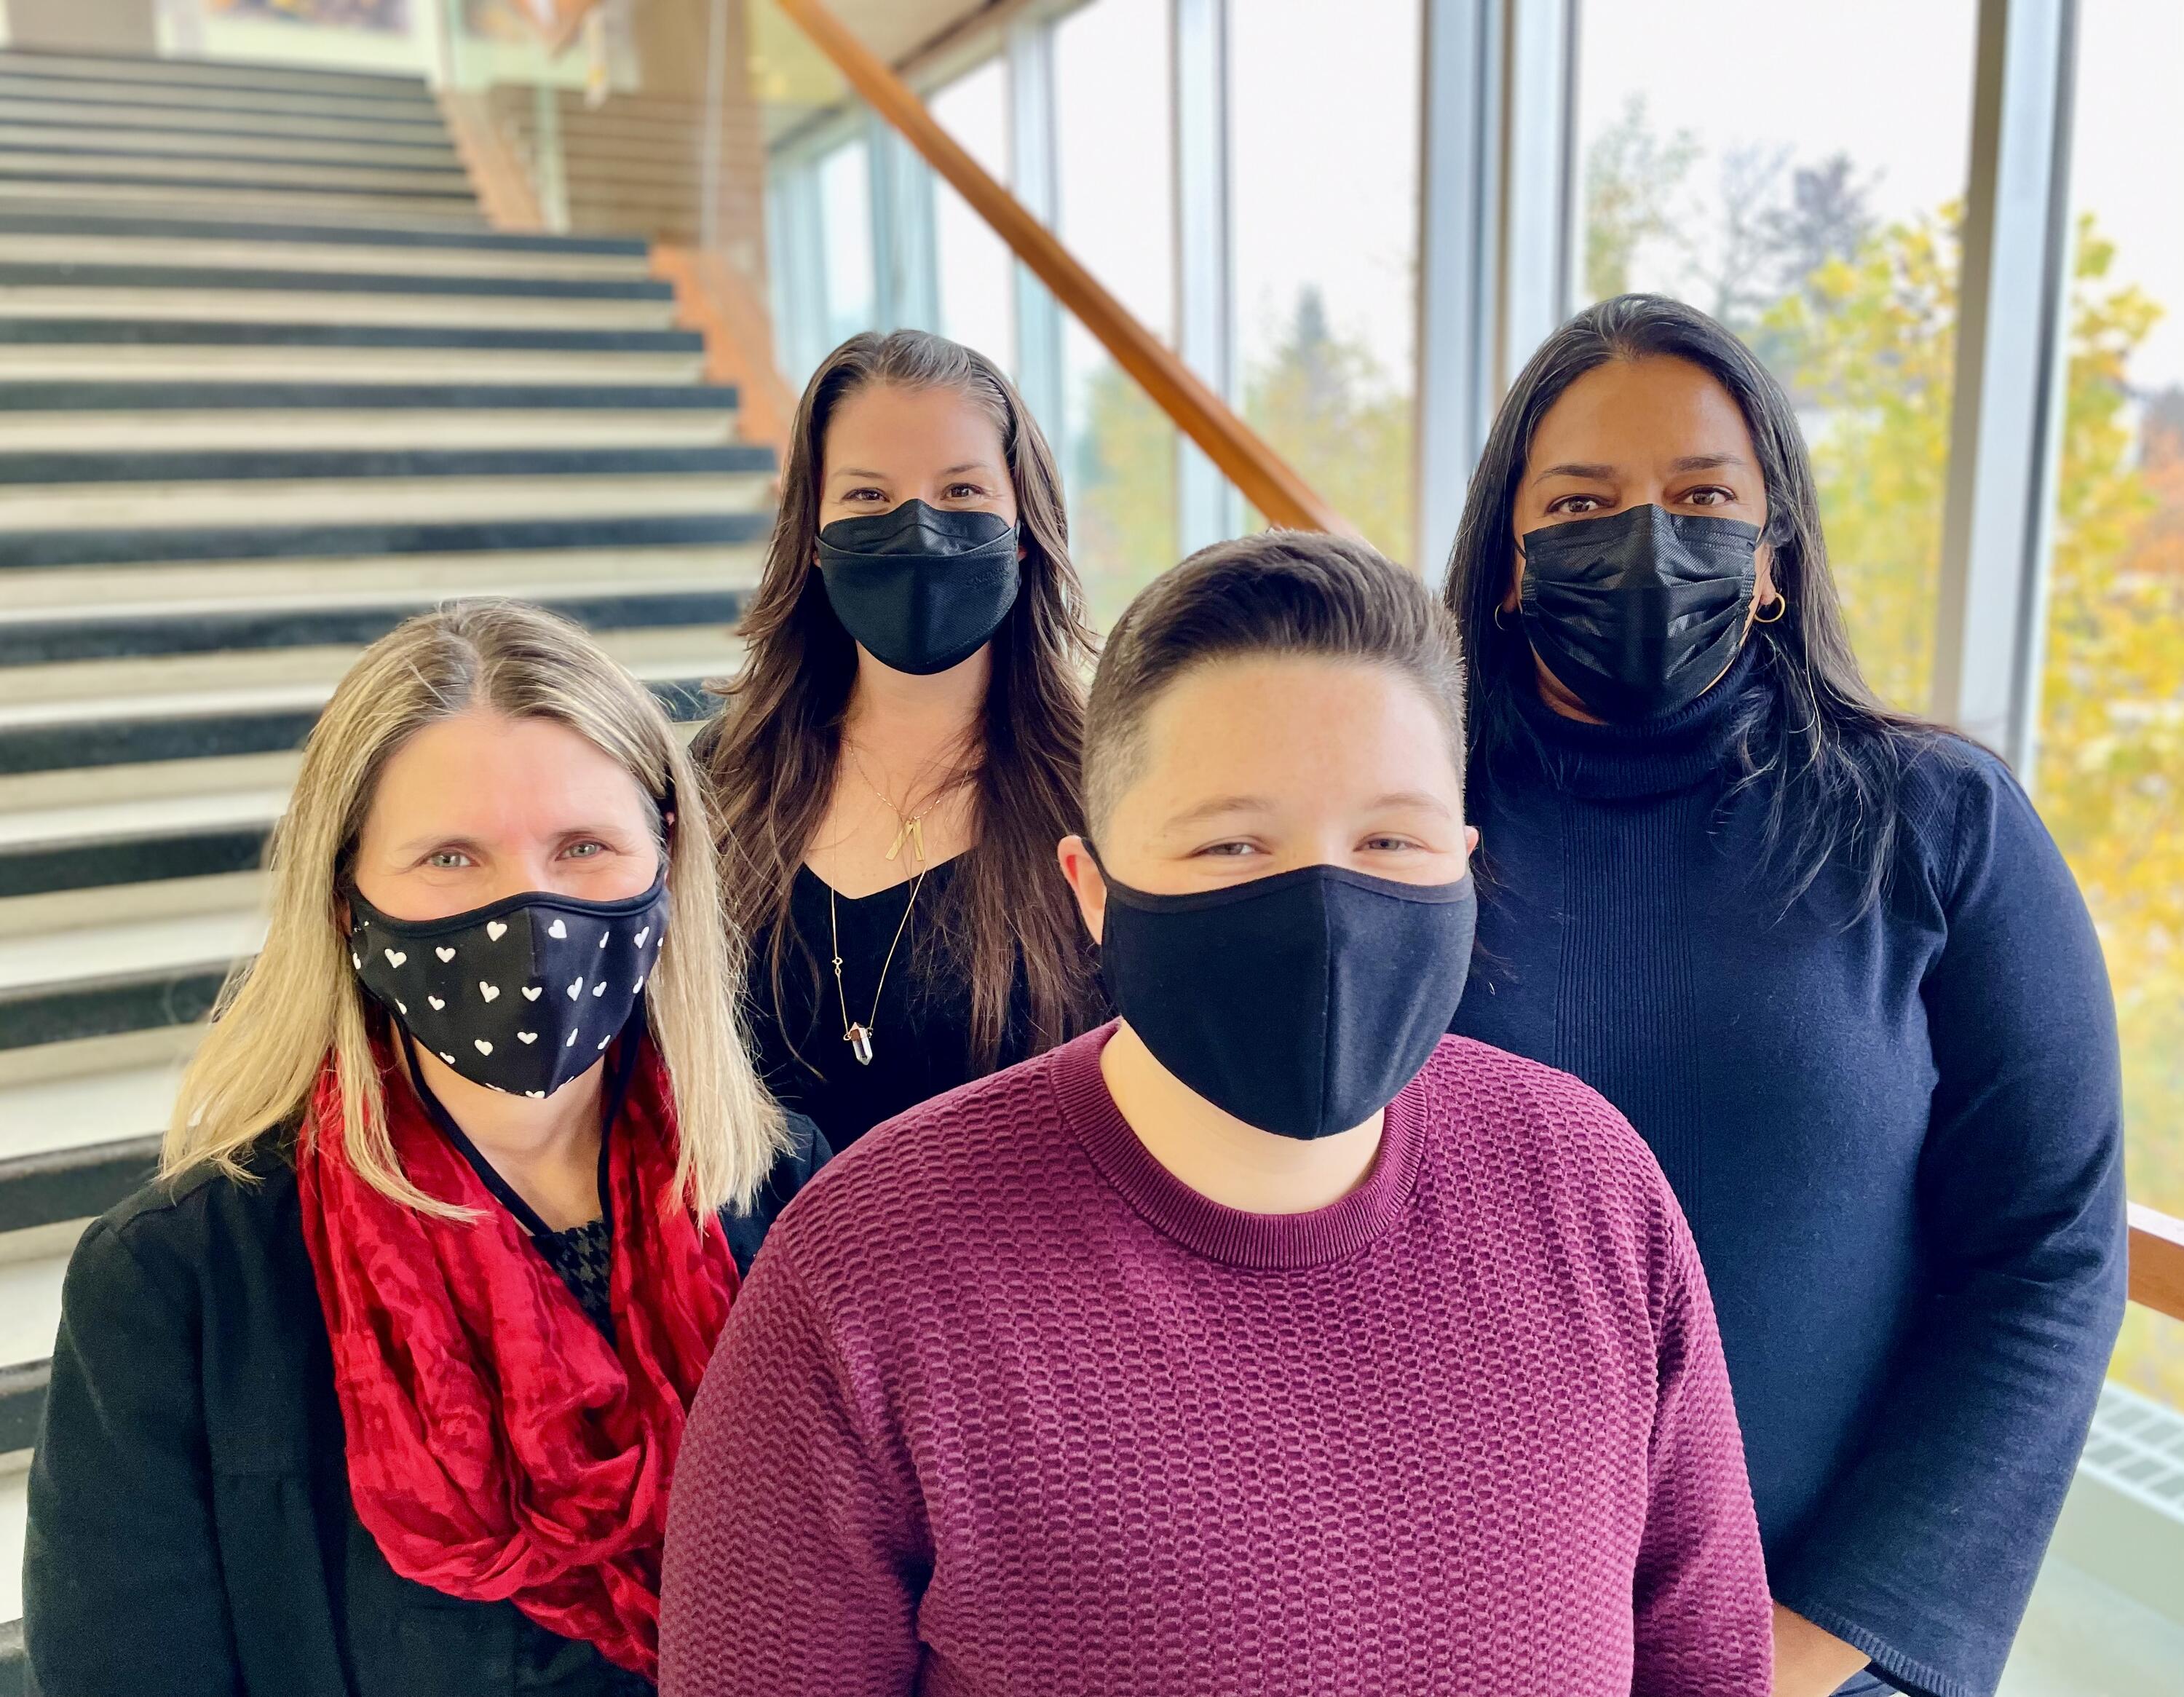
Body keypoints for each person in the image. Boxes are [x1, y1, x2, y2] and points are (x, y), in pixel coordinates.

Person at [659, 532, 1773, 1697]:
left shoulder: (1591, 1188)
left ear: (1465, 859)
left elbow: (1708, 1662)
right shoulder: (868, 1274)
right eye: (1233, 843)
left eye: (1391, 838)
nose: (1330, 908)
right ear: (1092, 891)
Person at [1442, 293, 2129, 1697]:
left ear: (1770, 556)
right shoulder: (1401, 827)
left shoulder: (1938, 824)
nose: (1646, 541)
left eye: (1703, 496)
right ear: (1509, 558)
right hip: (1450, 1629)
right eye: (1581, 501)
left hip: (1820, 1658)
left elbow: (2048, 1252)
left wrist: (1812, 1646)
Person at [25, 601, 826, 1696]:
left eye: (583, 847)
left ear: (667, 865)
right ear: (348, 900)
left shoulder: (792, 1206)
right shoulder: (181, 1287)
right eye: (452, 856)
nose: (528, 910)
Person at [697, 329, 1106, 1154]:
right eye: (868, 499)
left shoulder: (1109, 786)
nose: (918, 529)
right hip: (765, 1273)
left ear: (1024, 529)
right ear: (811, 537)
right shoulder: (722, 778)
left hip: (1017, 1274)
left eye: (961, 494)